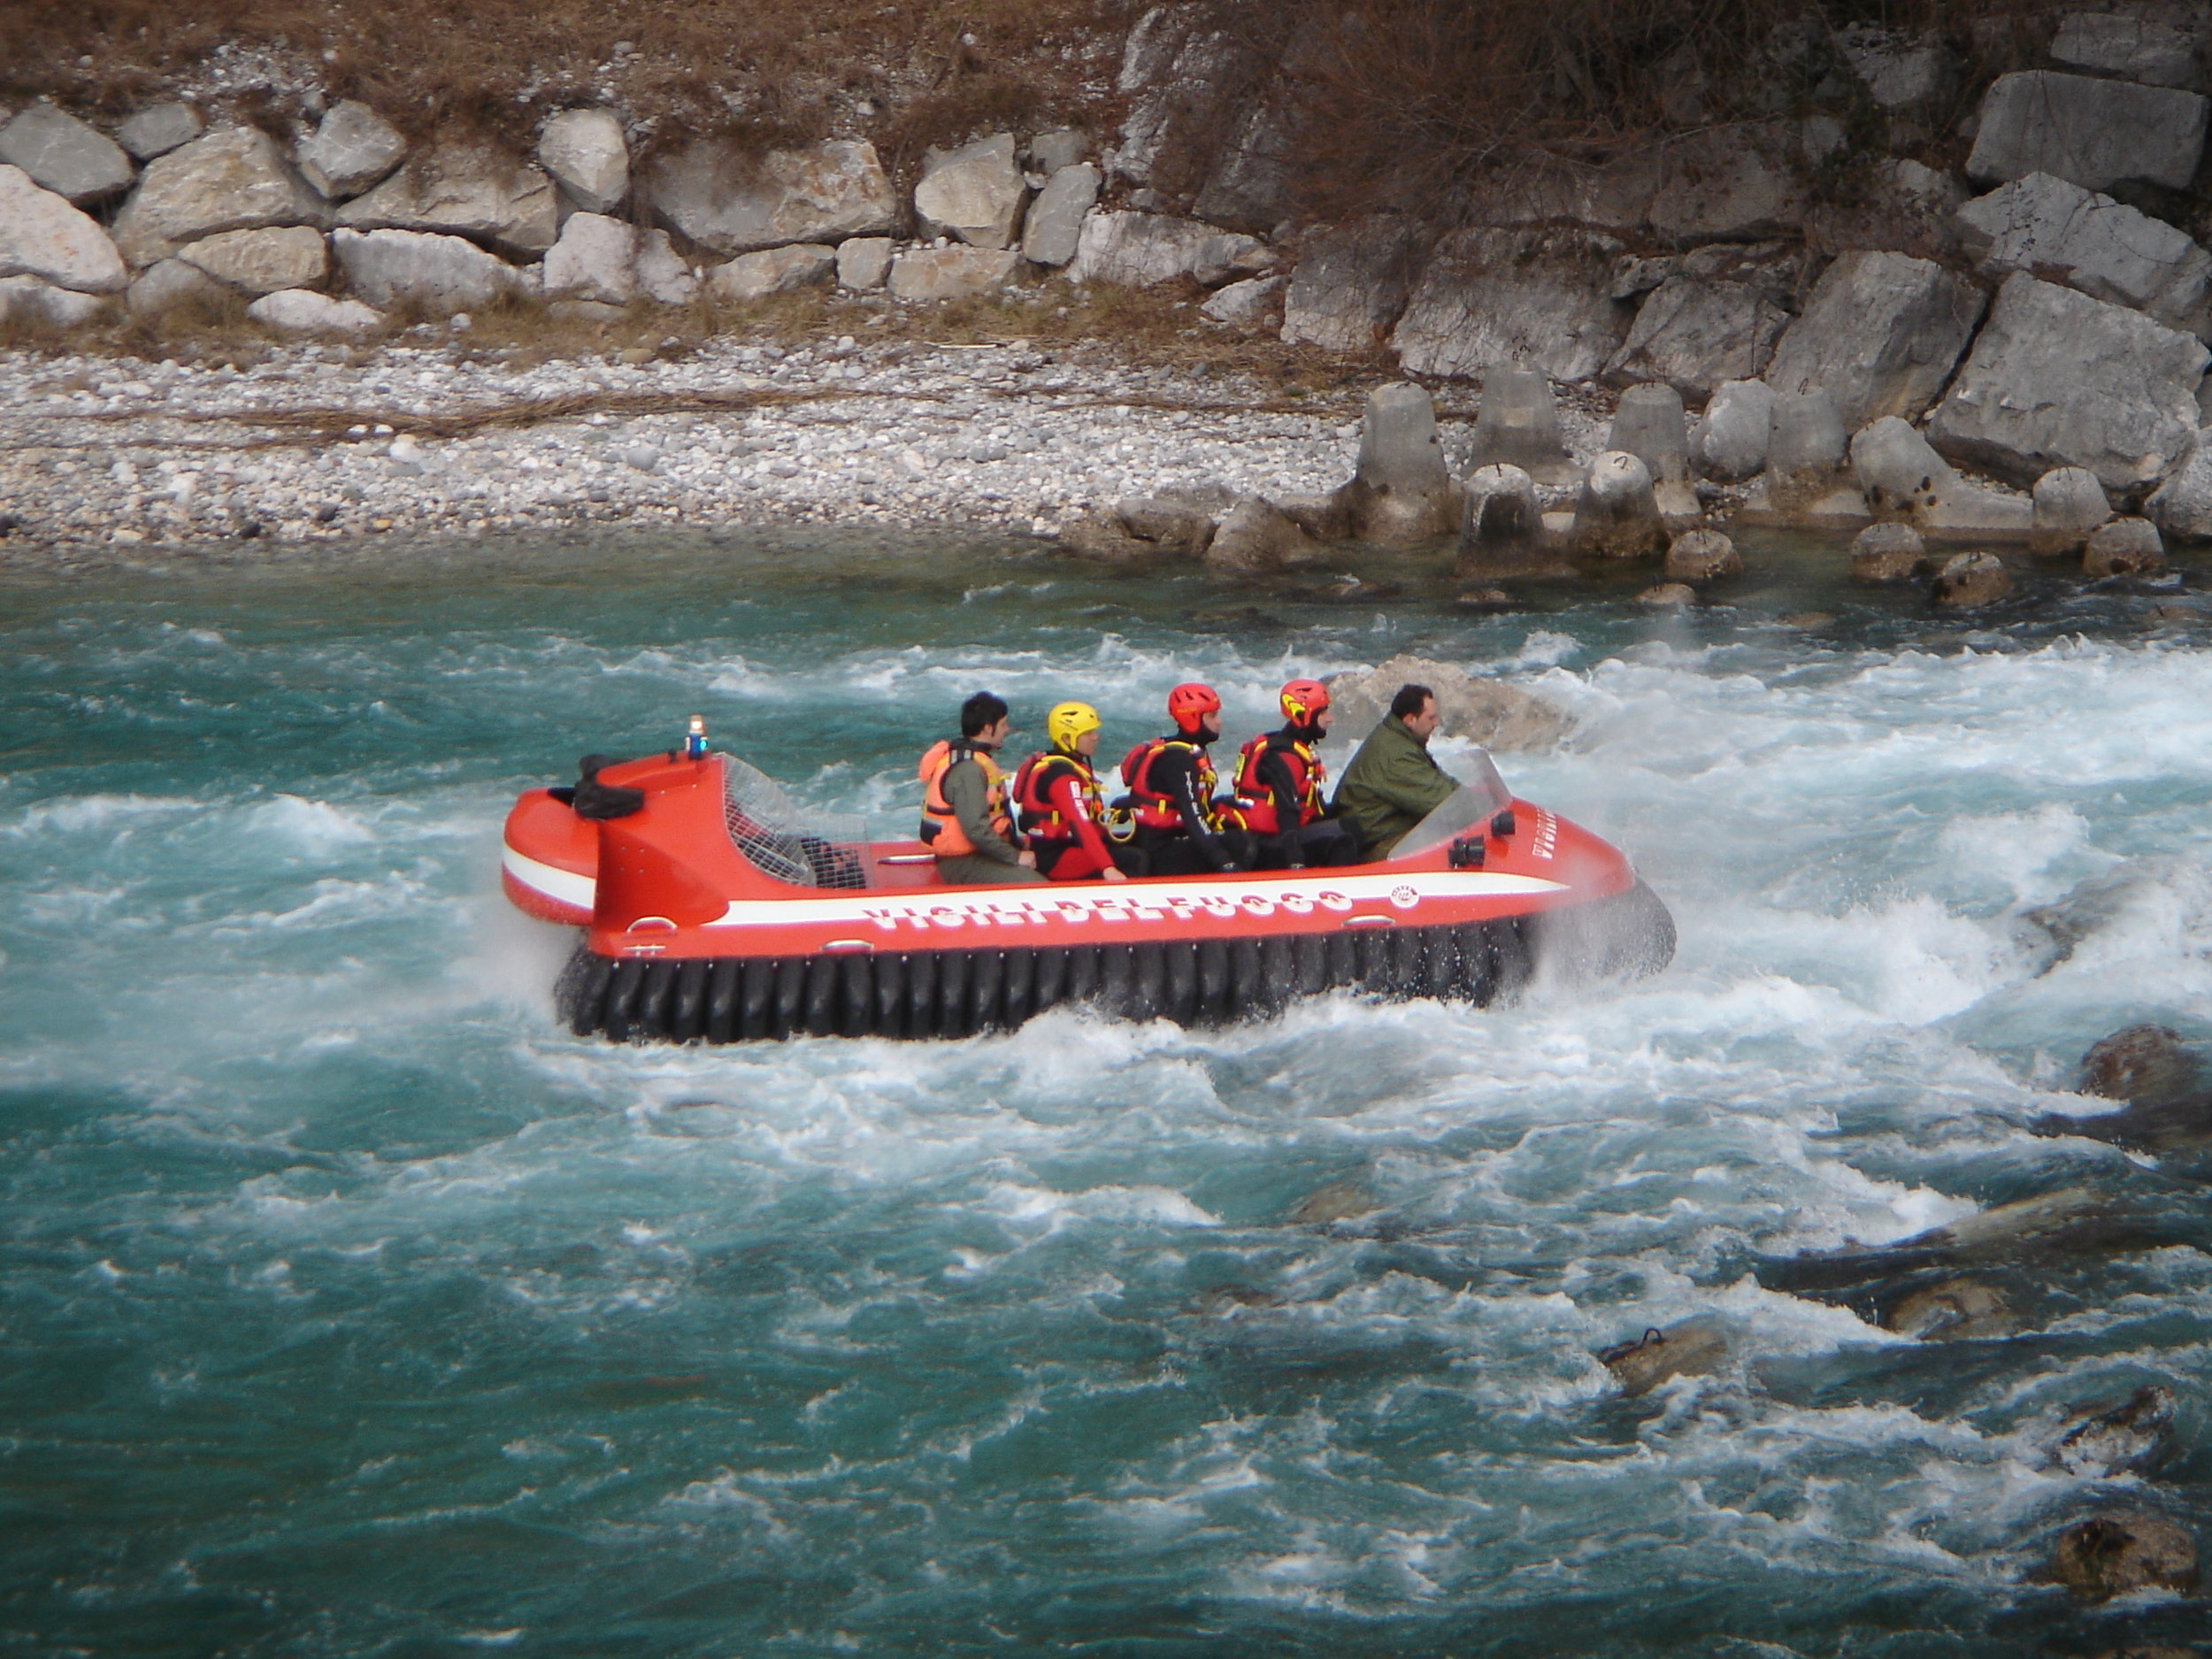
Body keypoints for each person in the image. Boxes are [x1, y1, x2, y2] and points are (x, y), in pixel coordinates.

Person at [1113, 682, 1256, 876]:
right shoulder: (1178, 760)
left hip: (1165, 840)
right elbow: (1193, 817)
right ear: (1192, 718)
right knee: (1240, 843)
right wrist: (1226, 863)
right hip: (1162, 851)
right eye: (1212, 716)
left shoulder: (1189, 751)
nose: (1219, 721)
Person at [1230, 678, 1362, 869]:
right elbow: (1287, 812)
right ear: (1304, 715)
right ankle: (1342, 890)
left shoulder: (1291, 747)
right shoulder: (1284, 756)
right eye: (1323, 711)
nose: (1330, 718)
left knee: (1347, 822)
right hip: (1270, 846)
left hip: (1278, 838)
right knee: (1347, 834)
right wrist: (1296, 862)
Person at [918, 691, 1046, 884]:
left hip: (982, 853)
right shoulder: (968, 770)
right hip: (963, 862)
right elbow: (975, 829)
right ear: (987, 728)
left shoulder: (975, 761)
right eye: (1003, 724)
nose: (1007, 729)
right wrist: (1015, 856)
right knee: (1035, 885)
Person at [1333, 682, 1460, 857]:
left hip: (1386, 829)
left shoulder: (1399, 738)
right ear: (1410, 720)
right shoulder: (1396, 755)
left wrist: (1477, 796)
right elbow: (1442, 803)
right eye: (1430, 718)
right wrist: (1479, 809)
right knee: (1450, 843)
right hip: (1376, 844)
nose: (1436, 723)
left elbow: (1438, 783)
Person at [1012, 701, 1133, 883]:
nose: (1095, 737)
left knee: (1132, 846)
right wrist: (1108, 868)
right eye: (1087, 733)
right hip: (1055, 856)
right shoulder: (1061, 776)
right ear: (1067, 739)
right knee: (1136, 859)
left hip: (1065, 846)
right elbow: (1079, 822)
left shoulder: (1069, 765)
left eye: (1095, 731)